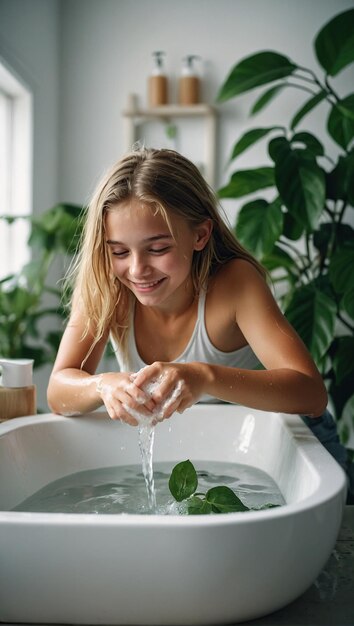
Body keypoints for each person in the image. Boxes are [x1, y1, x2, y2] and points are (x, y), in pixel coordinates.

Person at [47, 147, 352, 499]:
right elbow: (58, 391)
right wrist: (101, 385)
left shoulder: (234, 284)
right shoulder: (108, 286)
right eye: (119, 251)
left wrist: (202, 376)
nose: (136, 269)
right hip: (192, 455)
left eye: (157, 249)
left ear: (200, 235)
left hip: (288, 444)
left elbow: (311, 394)